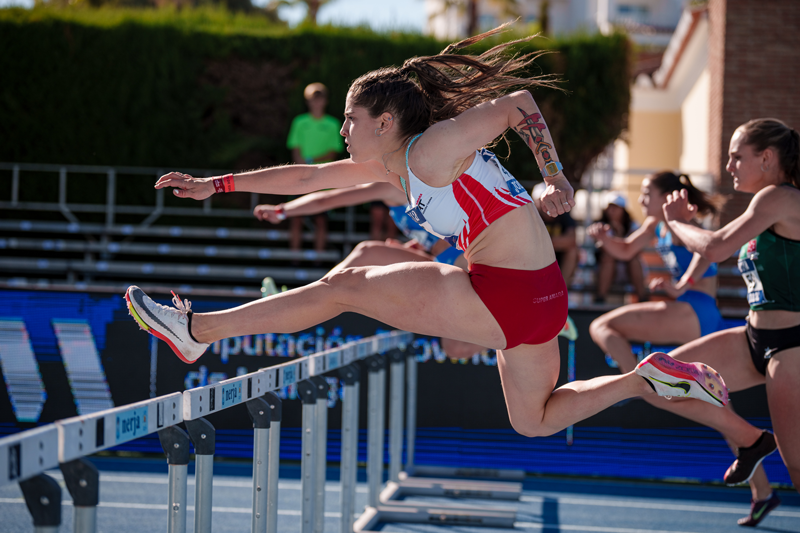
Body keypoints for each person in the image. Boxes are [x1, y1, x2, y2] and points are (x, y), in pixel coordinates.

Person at [125, 25, 727, 445]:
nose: (341, 128)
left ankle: (198, 330)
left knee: (348, 284)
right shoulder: (396, 163)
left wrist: (555, 176)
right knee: (535, 420)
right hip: (539, 297)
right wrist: (219, 184)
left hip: (507, 294)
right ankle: (640, 377)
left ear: (386, 122)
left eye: (350, 119)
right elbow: (305, 174)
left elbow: (517, 101)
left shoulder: (432, 150)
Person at [651, 118, 799, 526]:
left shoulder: (780, 198)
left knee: (798, 464)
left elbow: (714, 247)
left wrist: (677, 222)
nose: (729, 165)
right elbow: (715, 249)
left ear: (767, 158)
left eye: (737, 156)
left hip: (791, 345)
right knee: (662, 381)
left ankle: (757, 453)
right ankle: (751, 441)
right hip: (754, 338)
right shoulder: (763, 207)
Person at [588, 172, 726, 376]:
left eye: (646, 193)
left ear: (666, 197)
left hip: (696, 310)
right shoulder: (655, 224)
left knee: (602, 326)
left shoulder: (682, 222)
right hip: (689, 311)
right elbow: (626, 250)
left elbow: (707, 253)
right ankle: (637, 384)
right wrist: (605, 239)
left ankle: (634, 384)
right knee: (706, 399)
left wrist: (682, 285)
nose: (640, 199)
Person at [285, 82, 344, 256]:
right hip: (300, 177)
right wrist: (303, 169)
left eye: (319, 99)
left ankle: (318, 262)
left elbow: (334, 151)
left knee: (320, 219)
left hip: (322, 178)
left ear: (325, 101)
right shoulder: (300, 122)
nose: (316, 103)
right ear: (308, 101)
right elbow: (294, 148)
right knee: (295, 217)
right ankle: (294, 260)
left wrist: (311, 163)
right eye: (313, 99)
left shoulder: (333, 124)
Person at [593, 192, 648, 303]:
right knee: (608, 258)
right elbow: (601, 249)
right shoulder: (599, 226)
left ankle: (643, 299)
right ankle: (600, 298)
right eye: (610, 207)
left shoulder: (634, 225)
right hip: (608, 269)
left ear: (623, 209)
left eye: (616, 207)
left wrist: (616, 238)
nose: (612, 211)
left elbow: (637, 250)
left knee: (633, 259)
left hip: (629, 268)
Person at [532, 182, 578, 285]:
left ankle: (562, 288)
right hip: (534, 257)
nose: (547, 204)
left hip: (557, 256)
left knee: (572, 251)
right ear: (535, 201)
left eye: (550, 200)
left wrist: (544, 242)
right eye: (543, 200)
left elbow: (571, 240)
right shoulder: (530, 216)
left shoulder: (564, 215)